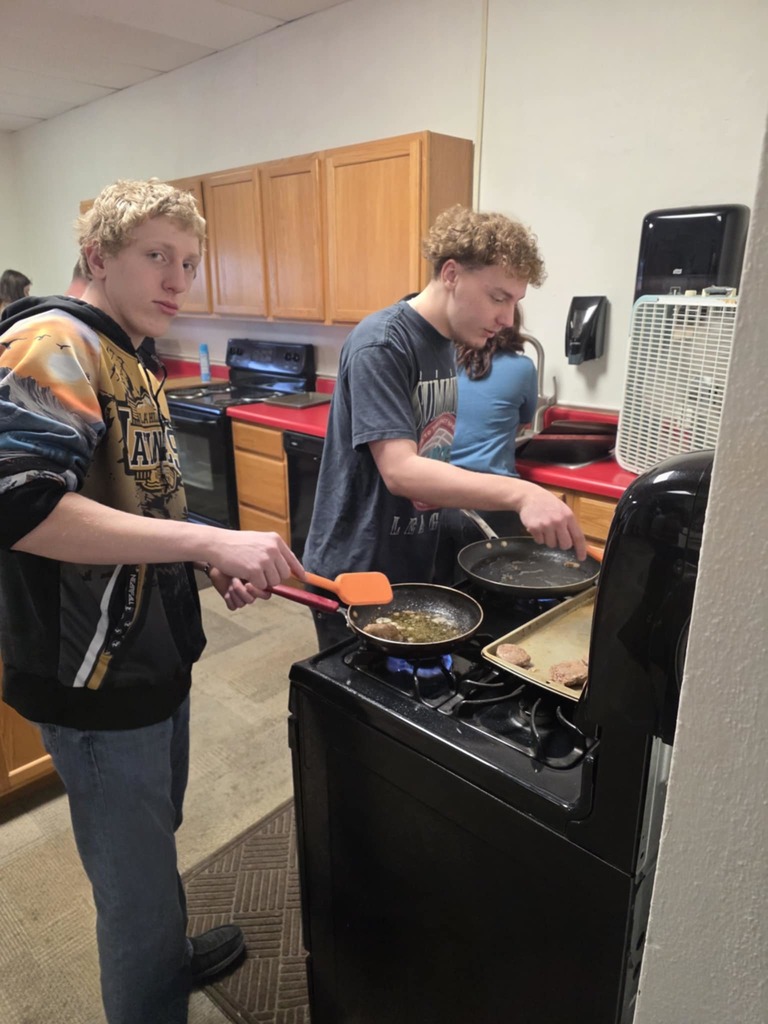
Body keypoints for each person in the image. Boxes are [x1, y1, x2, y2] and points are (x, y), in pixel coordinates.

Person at [0, 178, 305, 1024]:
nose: (178, 278)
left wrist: (202, 562)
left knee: (152, 832)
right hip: (90, 679)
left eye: (190, 262)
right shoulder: (51, 343)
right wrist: (210, 541)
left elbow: (139, 502)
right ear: (99, 257)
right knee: (131, 889)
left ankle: (167, 956)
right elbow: (22, 509)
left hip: (150, 659)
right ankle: (152, 983)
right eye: (156, 257)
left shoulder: (130, 351)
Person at [303, 204, 586, 650]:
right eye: (498, 297)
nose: (508, 318)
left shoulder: (443, 343)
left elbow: (432, 457)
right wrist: (523, 492)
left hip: (406, 562)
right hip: (357, 572)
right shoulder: (383, 344)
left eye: (515, 301)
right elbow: (401, 471)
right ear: (451, 273)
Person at [435, 307, 538, 582]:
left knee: (442, 593)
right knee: (493, 595)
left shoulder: (441, 363)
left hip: (438, 496)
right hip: (494, 502)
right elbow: (523, 422)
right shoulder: (523, 368)